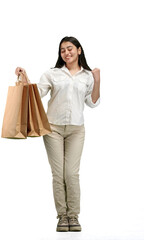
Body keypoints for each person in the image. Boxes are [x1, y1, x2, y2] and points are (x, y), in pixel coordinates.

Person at [15, 36, 100, 232]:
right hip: (52, 128)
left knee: (71, 173)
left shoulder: (87, 76)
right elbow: (37, 93)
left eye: (70, 49)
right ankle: (62, 217)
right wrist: (25, 77)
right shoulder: (52, 74)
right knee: (58, 174)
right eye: (62, 50)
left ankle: (74, 215)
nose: (66, 53)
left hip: (76, 130)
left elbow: (93, 103)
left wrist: (97, 80)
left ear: (79, 50)